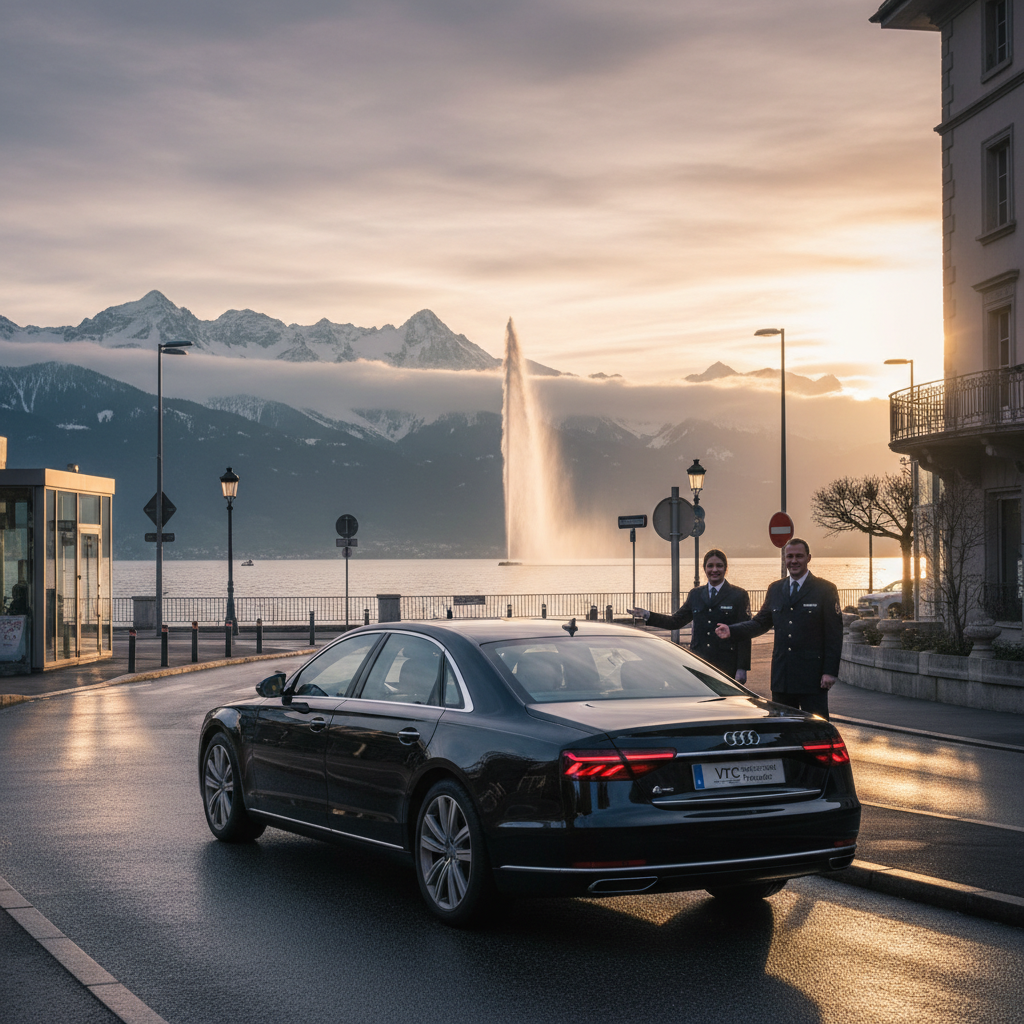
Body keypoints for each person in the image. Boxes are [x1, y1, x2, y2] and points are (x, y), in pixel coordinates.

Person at [715, 538, 843, 719]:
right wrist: (733, 630)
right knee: (783, 729)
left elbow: (834, 634)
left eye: (799, 556)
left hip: (812, 678)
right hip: (782, 677)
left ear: (809, 558)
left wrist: (829, 671)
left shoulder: (825, 589)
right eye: (789, 556)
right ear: (784, 559)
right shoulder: (775, 589)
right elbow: (760, 622)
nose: (794, 561)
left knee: (815, 731)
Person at [627, 549, 751, 681]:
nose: (714, 570)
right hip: (700, 663)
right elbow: (676, 621)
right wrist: (647, 615)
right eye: (710, 566)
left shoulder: (738, 595)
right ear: (704, 569)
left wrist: (742, 668)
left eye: (719, 565)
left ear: (726, 568)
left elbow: (744, 633)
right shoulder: (695, 594)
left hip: (726, 664)